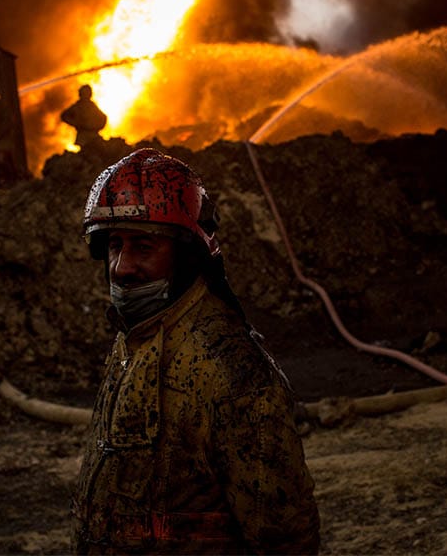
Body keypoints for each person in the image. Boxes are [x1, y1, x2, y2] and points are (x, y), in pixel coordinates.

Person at [71, 148, 320, 554]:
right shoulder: (133, 340)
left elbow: (283, 534)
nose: (121, 267)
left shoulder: (230, 368)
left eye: (144, 247)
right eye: (115, 245)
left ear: (187, 255)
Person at [60, 84, 107, 151]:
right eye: (85, 93)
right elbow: (64, 116)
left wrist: (96, 127)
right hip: (83, 136)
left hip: (93, 136)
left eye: (87, 93)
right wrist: (77, 123)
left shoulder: (92, 106)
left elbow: (103, 118)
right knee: (85, 152)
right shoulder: (77, 106)